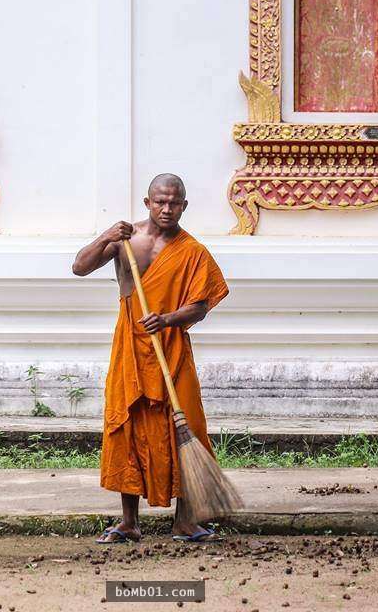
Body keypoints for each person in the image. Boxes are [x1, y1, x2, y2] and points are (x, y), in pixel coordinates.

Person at [72, 173, 229, 544]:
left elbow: (202, 306)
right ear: (147, 203)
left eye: (174, 203)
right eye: (160, 201)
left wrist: (168, 319)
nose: (167, 209)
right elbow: (79, 266)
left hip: (171, 347)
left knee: (187, 425)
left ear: (184, 206)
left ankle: (186, 521)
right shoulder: (127, 241)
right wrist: (106, 237)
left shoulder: (193, 252)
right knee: (128, 424)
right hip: (130, 345)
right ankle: (129, 522)